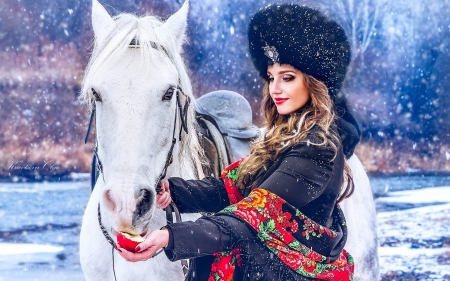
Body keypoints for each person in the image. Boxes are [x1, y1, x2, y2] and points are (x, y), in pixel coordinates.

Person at [118, 4, 361, 281]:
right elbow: (233, 189)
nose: (275, 89)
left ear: (314, 83)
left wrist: (169, 237)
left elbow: (250, 217)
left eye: (288, 78)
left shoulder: (318, 149)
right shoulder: (284, 137)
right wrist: (175, 191)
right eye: (272, 77)